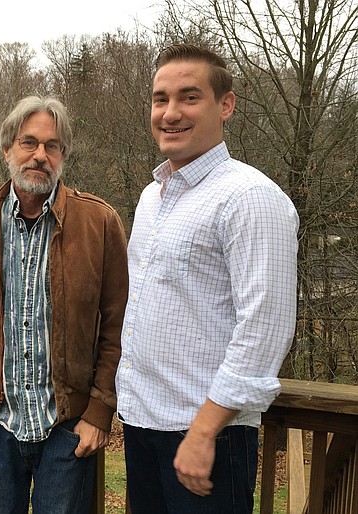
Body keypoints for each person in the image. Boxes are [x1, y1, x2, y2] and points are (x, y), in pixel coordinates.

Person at [116, 43, 299, 513]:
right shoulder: (151, 198)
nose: (170, 112)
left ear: (226, 104)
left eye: (189, 97)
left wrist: (202, 432)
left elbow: (264, 327)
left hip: (208, 435)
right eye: (161, 99)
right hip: (143, 425)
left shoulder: (250, 197)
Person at [0, 95, 128, 514]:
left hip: (67, 429)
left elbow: (118, 325)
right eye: (29, 142)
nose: (40, 155)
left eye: (52, 146)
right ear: (7, 150)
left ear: (63, 156)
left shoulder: (99, 223)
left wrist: (99, 411)